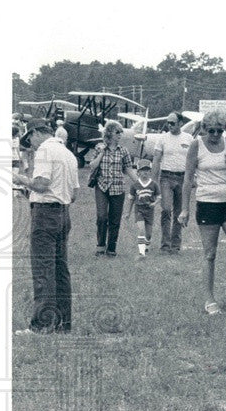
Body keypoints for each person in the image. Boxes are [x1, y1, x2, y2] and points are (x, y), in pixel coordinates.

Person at [177, 111, 226, 315]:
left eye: (220, 130)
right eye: (212, 131)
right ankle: (209, 299)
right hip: (207, 203)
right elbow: (187, 179)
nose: (216, 134)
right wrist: (185, 209)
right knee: (210, 254)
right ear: (203, 129)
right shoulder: (196, 145)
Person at [12, 118, 79, 335]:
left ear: (38, 133)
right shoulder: (68, 154)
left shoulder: (44, 150)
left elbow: (41, 184)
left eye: (29, 138)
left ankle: (41, 324)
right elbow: (74, 193)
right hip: (63, 213)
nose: (30, 144)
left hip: (44, 214)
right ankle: (63, 323)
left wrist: (22, 180)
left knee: (43, 270)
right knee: (61, 270)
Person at [89, 119, 139, 258]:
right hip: (102, 187)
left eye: (121, 132)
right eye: (118, 132)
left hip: (118, 188)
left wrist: (140, 184)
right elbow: (92, 165)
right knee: (102, 216)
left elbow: (129, 169)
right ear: (109, 133)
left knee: (115, 219)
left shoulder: (123, 151)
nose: (120, 135)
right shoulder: (99, 148)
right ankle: (100, 246)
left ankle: (111, 248)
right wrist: (101, 153)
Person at [151, 112, 193, 254]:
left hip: (183, 178)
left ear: (180, 123)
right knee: (166, 209)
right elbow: (156, 160)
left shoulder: (188, 138)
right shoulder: (162, 138)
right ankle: (165, 245)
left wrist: (194, 178)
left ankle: (175, 246)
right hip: (166, 177)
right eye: (168, 122)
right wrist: (153, 182)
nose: (169, 125)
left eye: (173, 123)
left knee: (179, 213)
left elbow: (193, 161)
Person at [124, 158, 161, 257]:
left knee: (148, 234)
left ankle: (147, 244)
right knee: (141, 230)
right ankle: (141, 252)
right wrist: (128, 212)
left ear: (150, 171)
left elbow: (158, 196)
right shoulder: (135, 185)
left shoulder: (154, 184)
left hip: (149, 210)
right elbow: (131, 199)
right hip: (139, 209)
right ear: (138, 172)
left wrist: (155, 203)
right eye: (142, 170)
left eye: (147, 170)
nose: (145, 172)